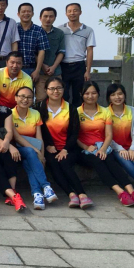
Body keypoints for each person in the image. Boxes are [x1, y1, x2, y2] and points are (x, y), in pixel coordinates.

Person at [76, 81, 134, 207]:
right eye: (87, 93)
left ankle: (132, 191)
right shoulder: (76, 112)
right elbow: (74, 136)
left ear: (98, 94)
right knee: (98, 161)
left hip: (103, 146)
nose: (90, 96)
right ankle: (120, 192)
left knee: (110, 161)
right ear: (81, 94)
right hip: (85, 150)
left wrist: (103, 149)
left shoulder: (105, 111)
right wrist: (86, 147)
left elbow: (109, 135)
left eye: (94, 93)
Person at [36, 76, 92, 209]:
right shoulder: (39, 108)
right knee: (53, 163)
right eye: (52, 88)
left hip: (69, 148)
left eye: (59, 88)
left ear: (63, 89)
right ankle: (71, 194)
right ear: (46, 90)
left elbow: (74, 133)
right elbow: (39, 130)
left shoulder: (70, 108)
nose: (55, 91)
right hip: (50, 148)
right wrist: (48, 145)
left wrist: (66, 149)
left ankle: (82, 194)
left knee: (64, 162)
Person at [11, 86, 58, 209]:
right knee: (30, 151)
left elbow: (39, 138)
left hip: (32, 152)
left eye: (29, 97)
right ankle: (46, 186)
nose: (25, 100)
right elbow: (17, 138)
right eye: (22, 96)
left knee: (29, 163)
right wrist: (37, 151)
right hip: (17, 150)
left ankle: (37, 195)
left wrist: (42, 156)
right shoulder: (9, 114)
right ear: (15, 98)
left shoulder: (35, 113)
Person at [59, 3, 95, 108]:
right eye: (69, 11)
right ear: (66, 13)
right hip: (63, 65)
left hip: (79, 66)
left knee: (79, 96)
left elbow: (90, 50)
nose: (72, 13)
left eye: (75, 10)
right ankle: (65, 117)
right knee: (63, 95)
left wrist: (88, 71)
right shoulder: (60, 29)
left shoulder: (88, 30)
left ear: (80, 12)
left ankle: (78, 117)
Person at [36, 7, 66, 101]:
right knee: (41, 98)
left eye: (51, 16)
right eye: (45, 16)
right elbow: (33, 53)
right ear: (40, 18)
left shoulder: (59, 33)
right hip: (40, 73)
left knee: (57, 98)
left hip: (55, 72)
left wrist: (53, 67)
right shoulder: (36, 32)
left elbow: (61, 52)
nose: (48, 19)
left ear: (55, 18)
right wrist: (42, 65)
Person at [16, 3, 50, 82]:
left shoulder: (39, 30)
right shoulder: (14, 28)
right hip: (15, 67)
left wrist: (37, 70)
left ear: (33, 13)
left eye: (28, 11)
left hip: (32, 69)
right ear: (18, 14)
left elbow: (42, 51)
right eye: (23, 11)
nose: (26, 13)